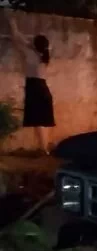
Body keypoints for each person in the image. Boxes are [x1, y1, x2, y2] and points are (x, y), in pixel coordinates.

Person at [3, 9, 55, 153]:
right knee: (45, 120)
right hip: (43, 87)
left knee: (38, 120)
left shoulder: (30, 54)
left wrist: (11, 22)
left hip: (35, 87)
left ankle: (44, 149)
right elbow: (28, 42)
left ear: (34, 45)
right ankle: (46, 147)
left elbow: (16, 37)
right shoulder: (44, 55)